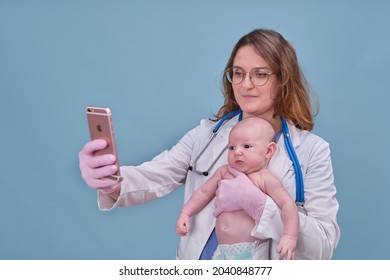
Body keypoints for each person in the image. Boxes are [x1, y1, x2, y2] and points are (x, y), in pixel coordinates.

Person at [78, 28, 340, 260]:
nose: (246, 84)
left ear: (283, 79)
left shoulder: (312, 151)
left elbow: (324, 246)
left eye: (260, 74)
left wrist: (262, 207)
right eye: (238, 73)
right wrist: (111, 180)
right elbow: (154, 176)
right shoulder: (206, 135)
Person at [176, 117, 299, 260]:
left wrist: (290, 236)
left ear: (269, 151)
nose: (237, 152)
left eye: (246, 146)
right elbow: (203, 192)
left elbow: (287, 205)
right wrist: (185, 213)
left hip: (251, 254)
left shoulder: (265, 179)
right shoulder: (224, 172)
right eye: (232, 147)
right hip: (221, 252)